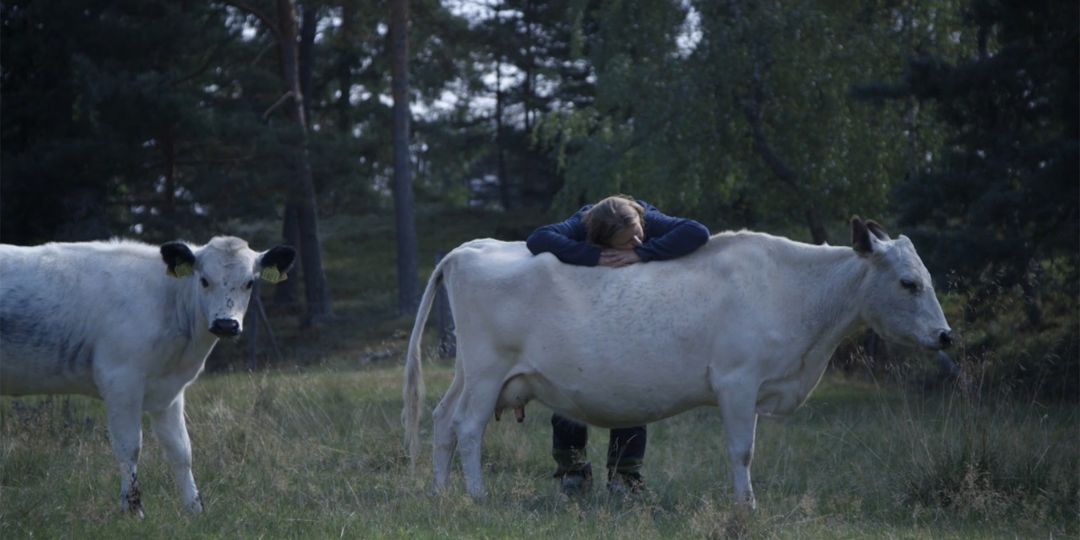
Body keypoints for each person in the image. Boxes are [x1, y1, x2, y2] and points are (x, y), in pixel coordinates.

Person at [525, 194, 710, 495]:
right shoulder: (584, 224)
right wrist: (592, 256)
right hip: (583, 316)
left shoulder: (646, 219)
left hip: (633, 322)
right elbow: (538, 239)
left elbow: (697, 232)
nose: (637, 239)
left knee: (631, 388)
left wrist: (644, 253)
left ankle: (625, 476)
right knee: (572, 386)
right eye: (627, 241)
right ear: (603, 240)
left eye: (638, 232)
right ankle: (572, 471)